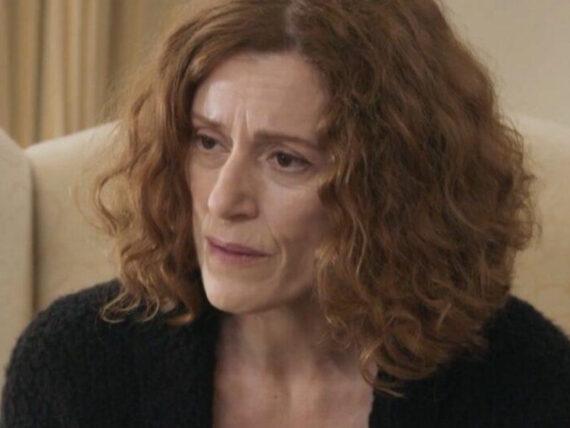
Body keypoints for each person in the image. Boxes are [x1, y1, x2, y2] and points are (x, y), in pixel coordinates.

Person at [2, 0, 570, 426]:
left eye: (286, 159)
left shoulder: (522, 380)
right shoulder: (74, 366)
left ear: (392, 192)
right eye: (208, 141)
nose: (223, 200)